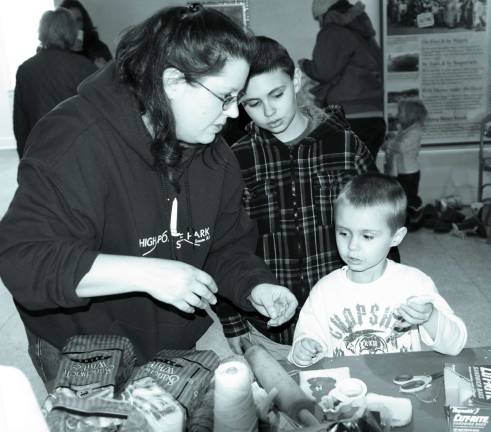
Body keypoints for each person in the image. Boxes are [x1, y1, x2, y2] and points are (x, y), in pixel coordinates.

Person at [0, 4, 298, 392]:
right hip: (79, 345)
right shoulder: (74, 138)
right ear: (173, 81)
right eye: (225, 97)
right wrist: (148, 273)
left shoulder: (214, 154)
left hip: (171, 341)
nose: (234, 113)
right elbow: (23, 260)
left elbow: (224, 246)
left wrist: (255, 285)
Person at [214, 36, 375, 359]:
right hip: (269, 325)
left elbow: (380, 229)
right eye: (253, 104)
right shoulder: (237, 159)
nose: (269, 111)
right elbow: (224, 244)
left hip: (343, 319)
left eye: (277, 94)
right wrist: (231, 320)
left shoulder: (346, 146)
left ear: (296, 80)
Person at [289, 173, 467, 366]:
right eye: (343, 233)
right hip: (346, 391)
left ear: (396, 237)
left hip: (402, 386)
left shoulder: (414, 285)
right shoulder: (324, 291)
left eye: (367, 236)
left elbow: (455, 345)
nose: (352, 246)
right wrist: (304, 348)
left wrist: (430, 317)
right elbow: (304, 342)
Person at [299, 0, 385, 159]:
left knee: (347, 177)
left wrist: (304, 64)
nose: (319, 25)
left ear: (326, 15)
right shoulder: (363, 33)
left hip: (350, 117)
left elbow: (323, 71)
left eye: (318, 19)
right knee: (365, 177)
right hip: (375, 117)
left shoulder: (332, 32)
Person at [12, 7, 97, 159]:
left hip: (39, 154)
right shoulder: (85, 67)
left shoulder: (25, 69)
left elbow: (20, 124)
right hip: (77, 154)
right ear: (71, 31)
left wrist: (23, 160)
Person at [383, 98, 427, 229]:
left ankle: (417, 217)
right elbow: (397, 145)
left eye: (400, 112)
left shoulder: (415, 131)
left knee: (409, 197)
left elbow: (402, 147)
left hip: (409, 172)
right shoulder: (406, 129)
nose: (397, 115)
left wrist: (389, 144)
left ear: (410, 115)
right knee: (401, 197)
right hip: (402, 171)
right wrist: (392, 140)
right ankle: (407, 219)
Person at [59, 0, 112, 68]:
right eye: (70, 21)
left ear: (84, 22)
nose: (75, 26)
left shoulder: (99, 48)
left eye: (78, 20)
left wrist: (102, 71)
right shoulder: (57, 53)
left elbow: (114, 76)